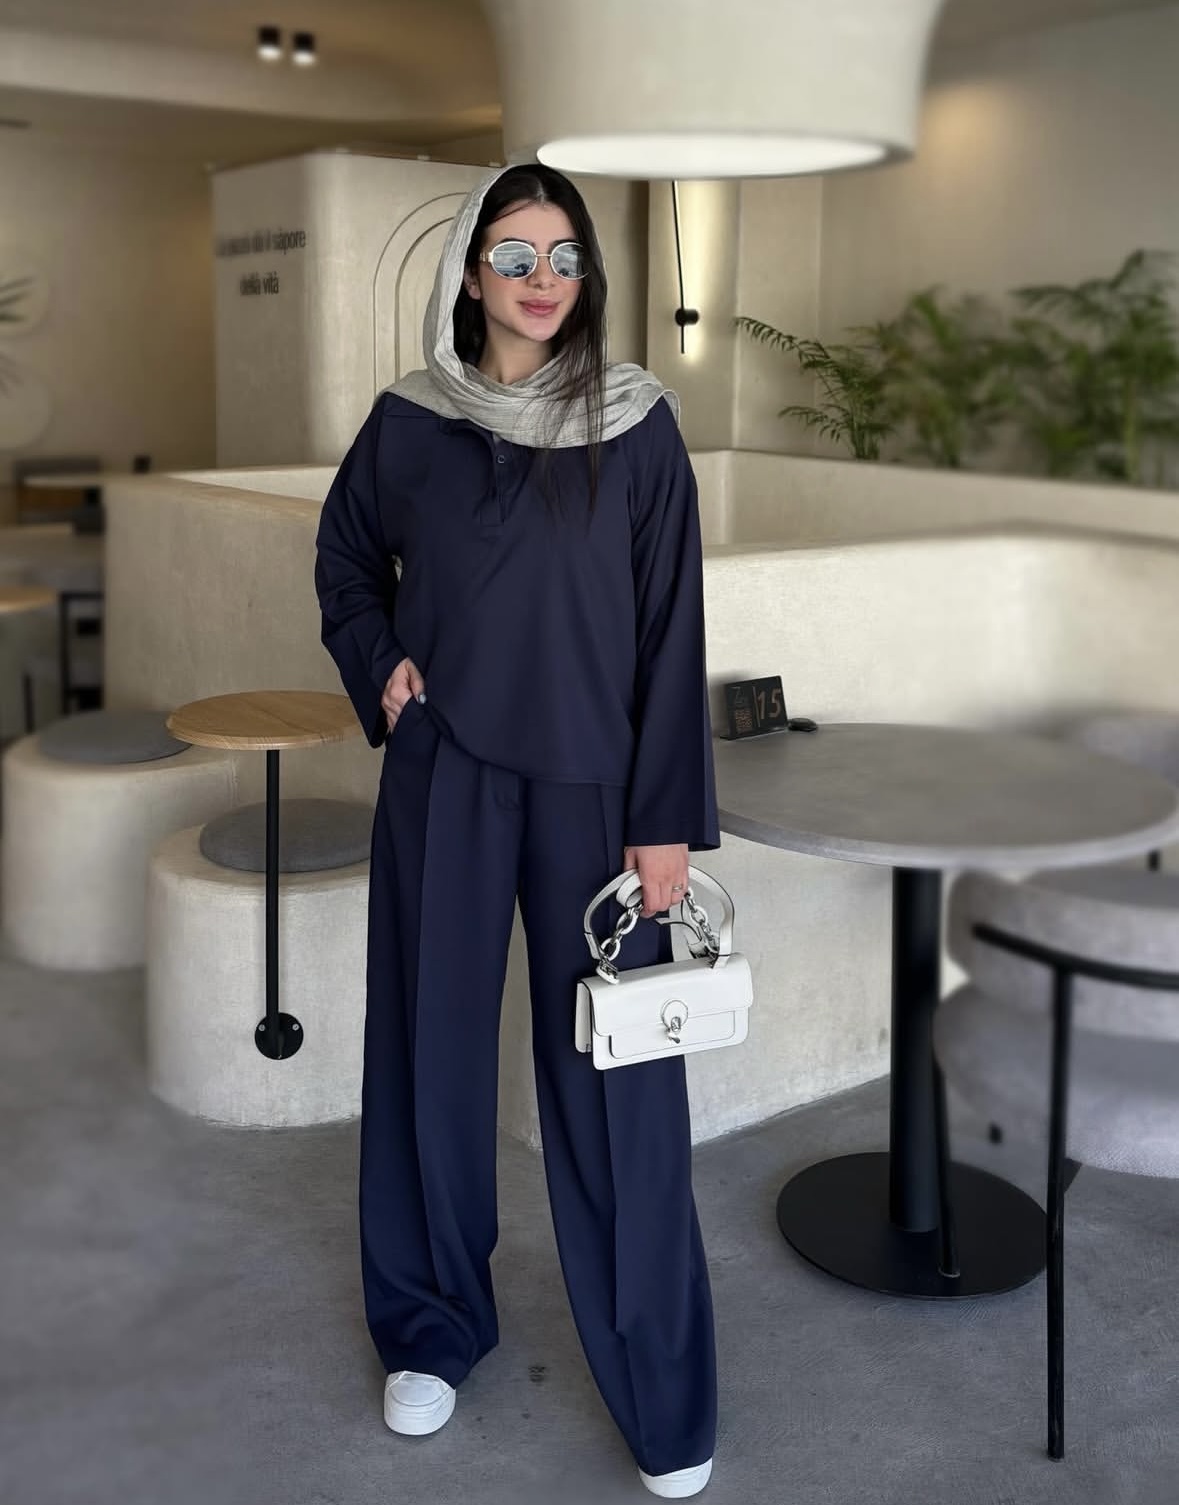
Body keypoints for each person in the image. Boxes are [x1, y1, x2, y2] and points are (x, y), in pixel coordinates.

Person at [314, 164, 720, 1500]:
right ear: (469, 272)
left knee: (619, 1087)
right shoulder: (411, 422)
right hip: (448, 775)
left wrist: (666, 822)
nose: (542, 282)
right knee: (428, 1057)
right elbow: (346, 559)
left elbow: (672, 630)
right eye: (514, 255)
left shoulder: (637, 424)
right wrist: (381, 664)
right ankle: (431, 1324)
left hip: (599, 797)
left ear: (588, 275)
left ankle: (662, 1386)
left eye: (563, 257)